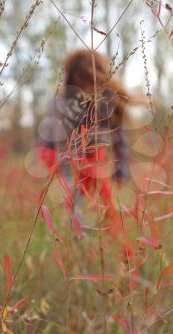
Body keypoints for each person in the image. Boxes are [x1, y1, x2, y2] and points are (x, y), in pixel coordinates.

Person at [37, 48, 131, 230]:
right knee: (72, 203)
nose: (83, 89)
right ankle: (76, 235)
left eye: (87, 82)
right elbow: (54, 140)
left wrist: (121, 170)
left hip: (92, 157)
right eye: (77, 83)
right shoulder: (61, 101)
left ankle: (112, 241)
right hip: (59, 155)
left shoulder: (109, 101)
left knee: (108, 205)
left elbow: (121, 139)